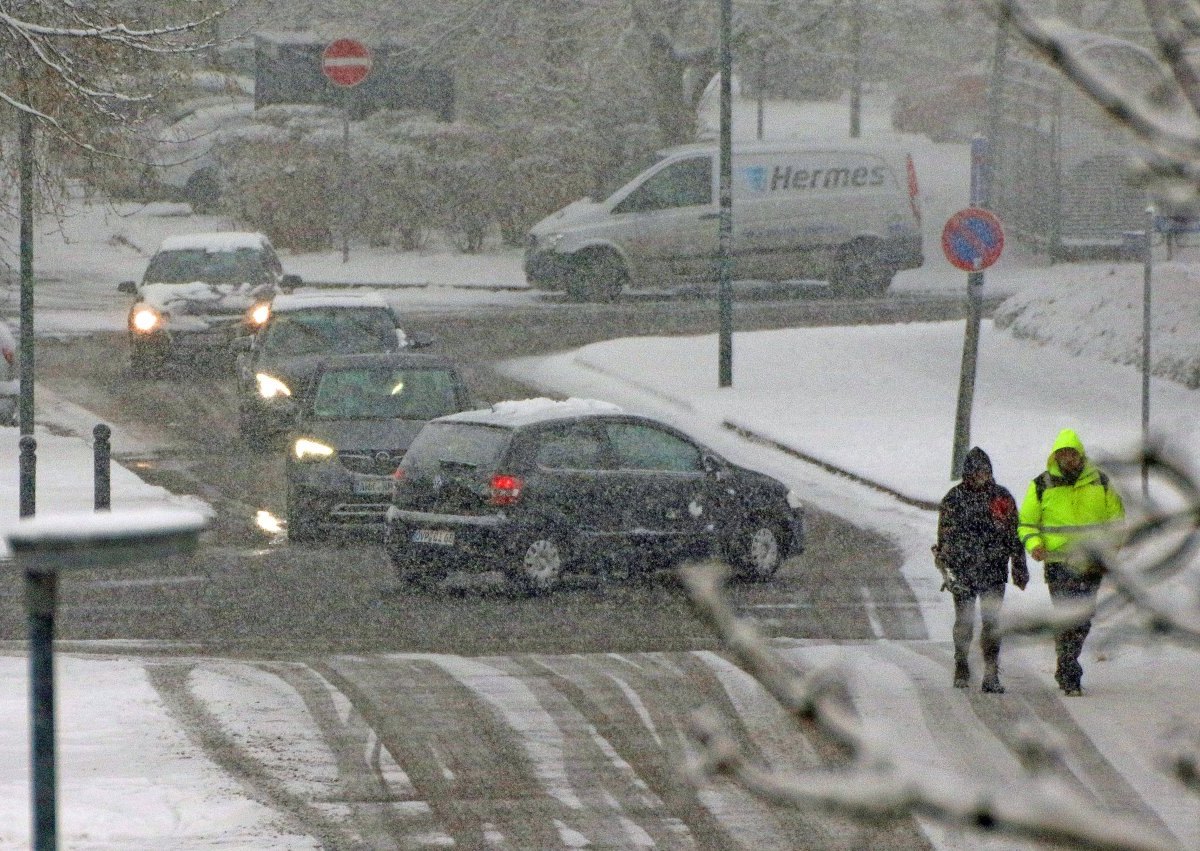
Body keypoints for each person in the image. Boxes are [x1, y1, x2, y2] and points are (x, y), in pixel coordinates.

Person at [1018, 429, 1124, 697]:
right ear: (1055, 456)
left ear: (1080, 455)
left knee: (1083, 618)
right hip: (1058, 563)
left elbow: (1117, 520)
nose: (1068, 459)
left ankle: (1065, 660)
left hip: (1091, 563)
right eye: (1063, 454)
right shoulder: (1042, 485)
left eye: (1072, 453)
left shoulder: (1100, 482)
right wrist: (1034, 544)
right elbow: (1028, 523)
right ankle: (1069, 670)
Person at [935, 447, 1028, 693]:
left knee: (991, 623)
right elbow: (944, 536)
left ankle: (991, 671)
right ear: (968, 473)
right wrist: (946, 562)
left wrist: (1019, 565)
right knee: (964, 622)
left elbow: (1013, 534)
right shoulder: (954, 498)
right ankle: (961, 662)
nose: (981, 476)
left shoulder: (1001, 497)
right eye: (976, 472)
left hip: (993, 569)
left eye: (985, 471)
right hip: (963, 569)